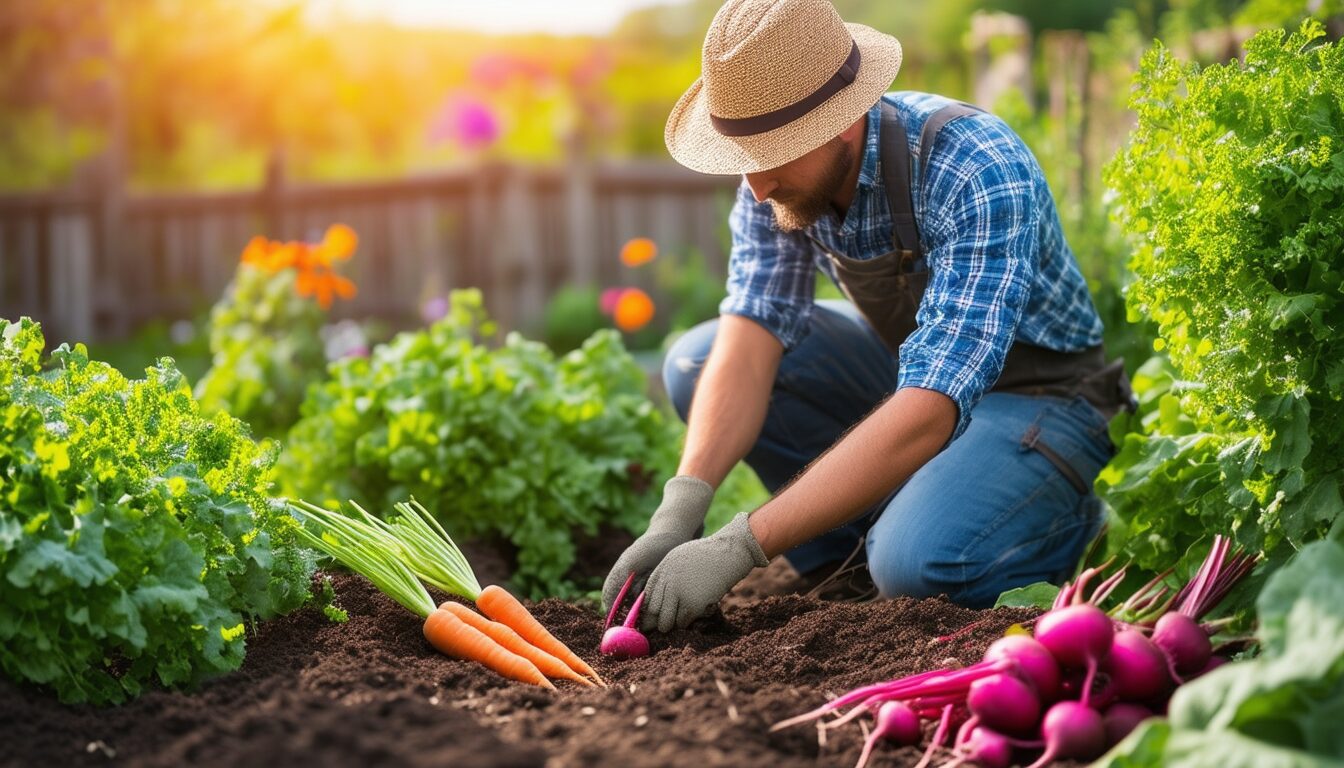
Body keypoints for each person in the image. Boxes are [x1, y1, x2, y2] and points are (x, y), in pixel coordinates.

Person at [603, 0, 1132, 634]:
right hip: (910, 374)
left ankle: (1066, 522)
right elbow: (751, 332)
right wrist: (680, 509)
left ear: (843, 122)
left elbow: (932, 401)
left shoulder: (973, 165)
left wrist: (739, 545)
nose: (756, 186)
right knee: (696, 359)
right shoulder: (772, 184)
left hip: (1042, 397)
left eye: (772, 153)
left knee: (918, 564)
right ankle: (846, 567)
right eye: (742, 154)